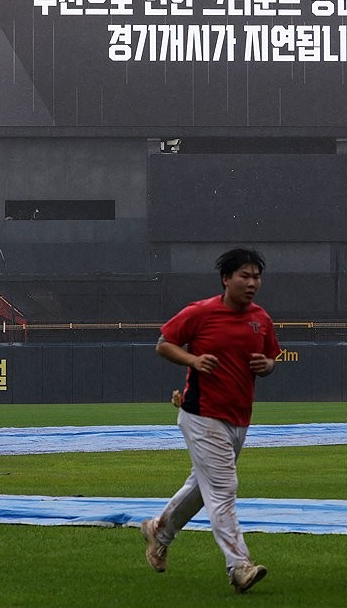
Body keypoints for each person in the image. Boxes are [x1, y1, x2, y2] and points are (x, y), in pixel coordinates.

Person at [140, 248, 279, 594]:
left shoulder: (261, 318)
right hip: (201, 414)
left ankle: (159, 532)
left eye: (256, 276)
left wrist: (269, 365)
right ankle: (239, 566)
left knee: (203, 489)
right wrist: (194, 359)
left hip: (238, 417)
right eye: (244, 276)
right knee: (223, 489)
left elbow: (272, 355)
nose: (251, 283)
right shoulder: (200, 313)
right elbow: (163, 344)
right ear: (225, 279)